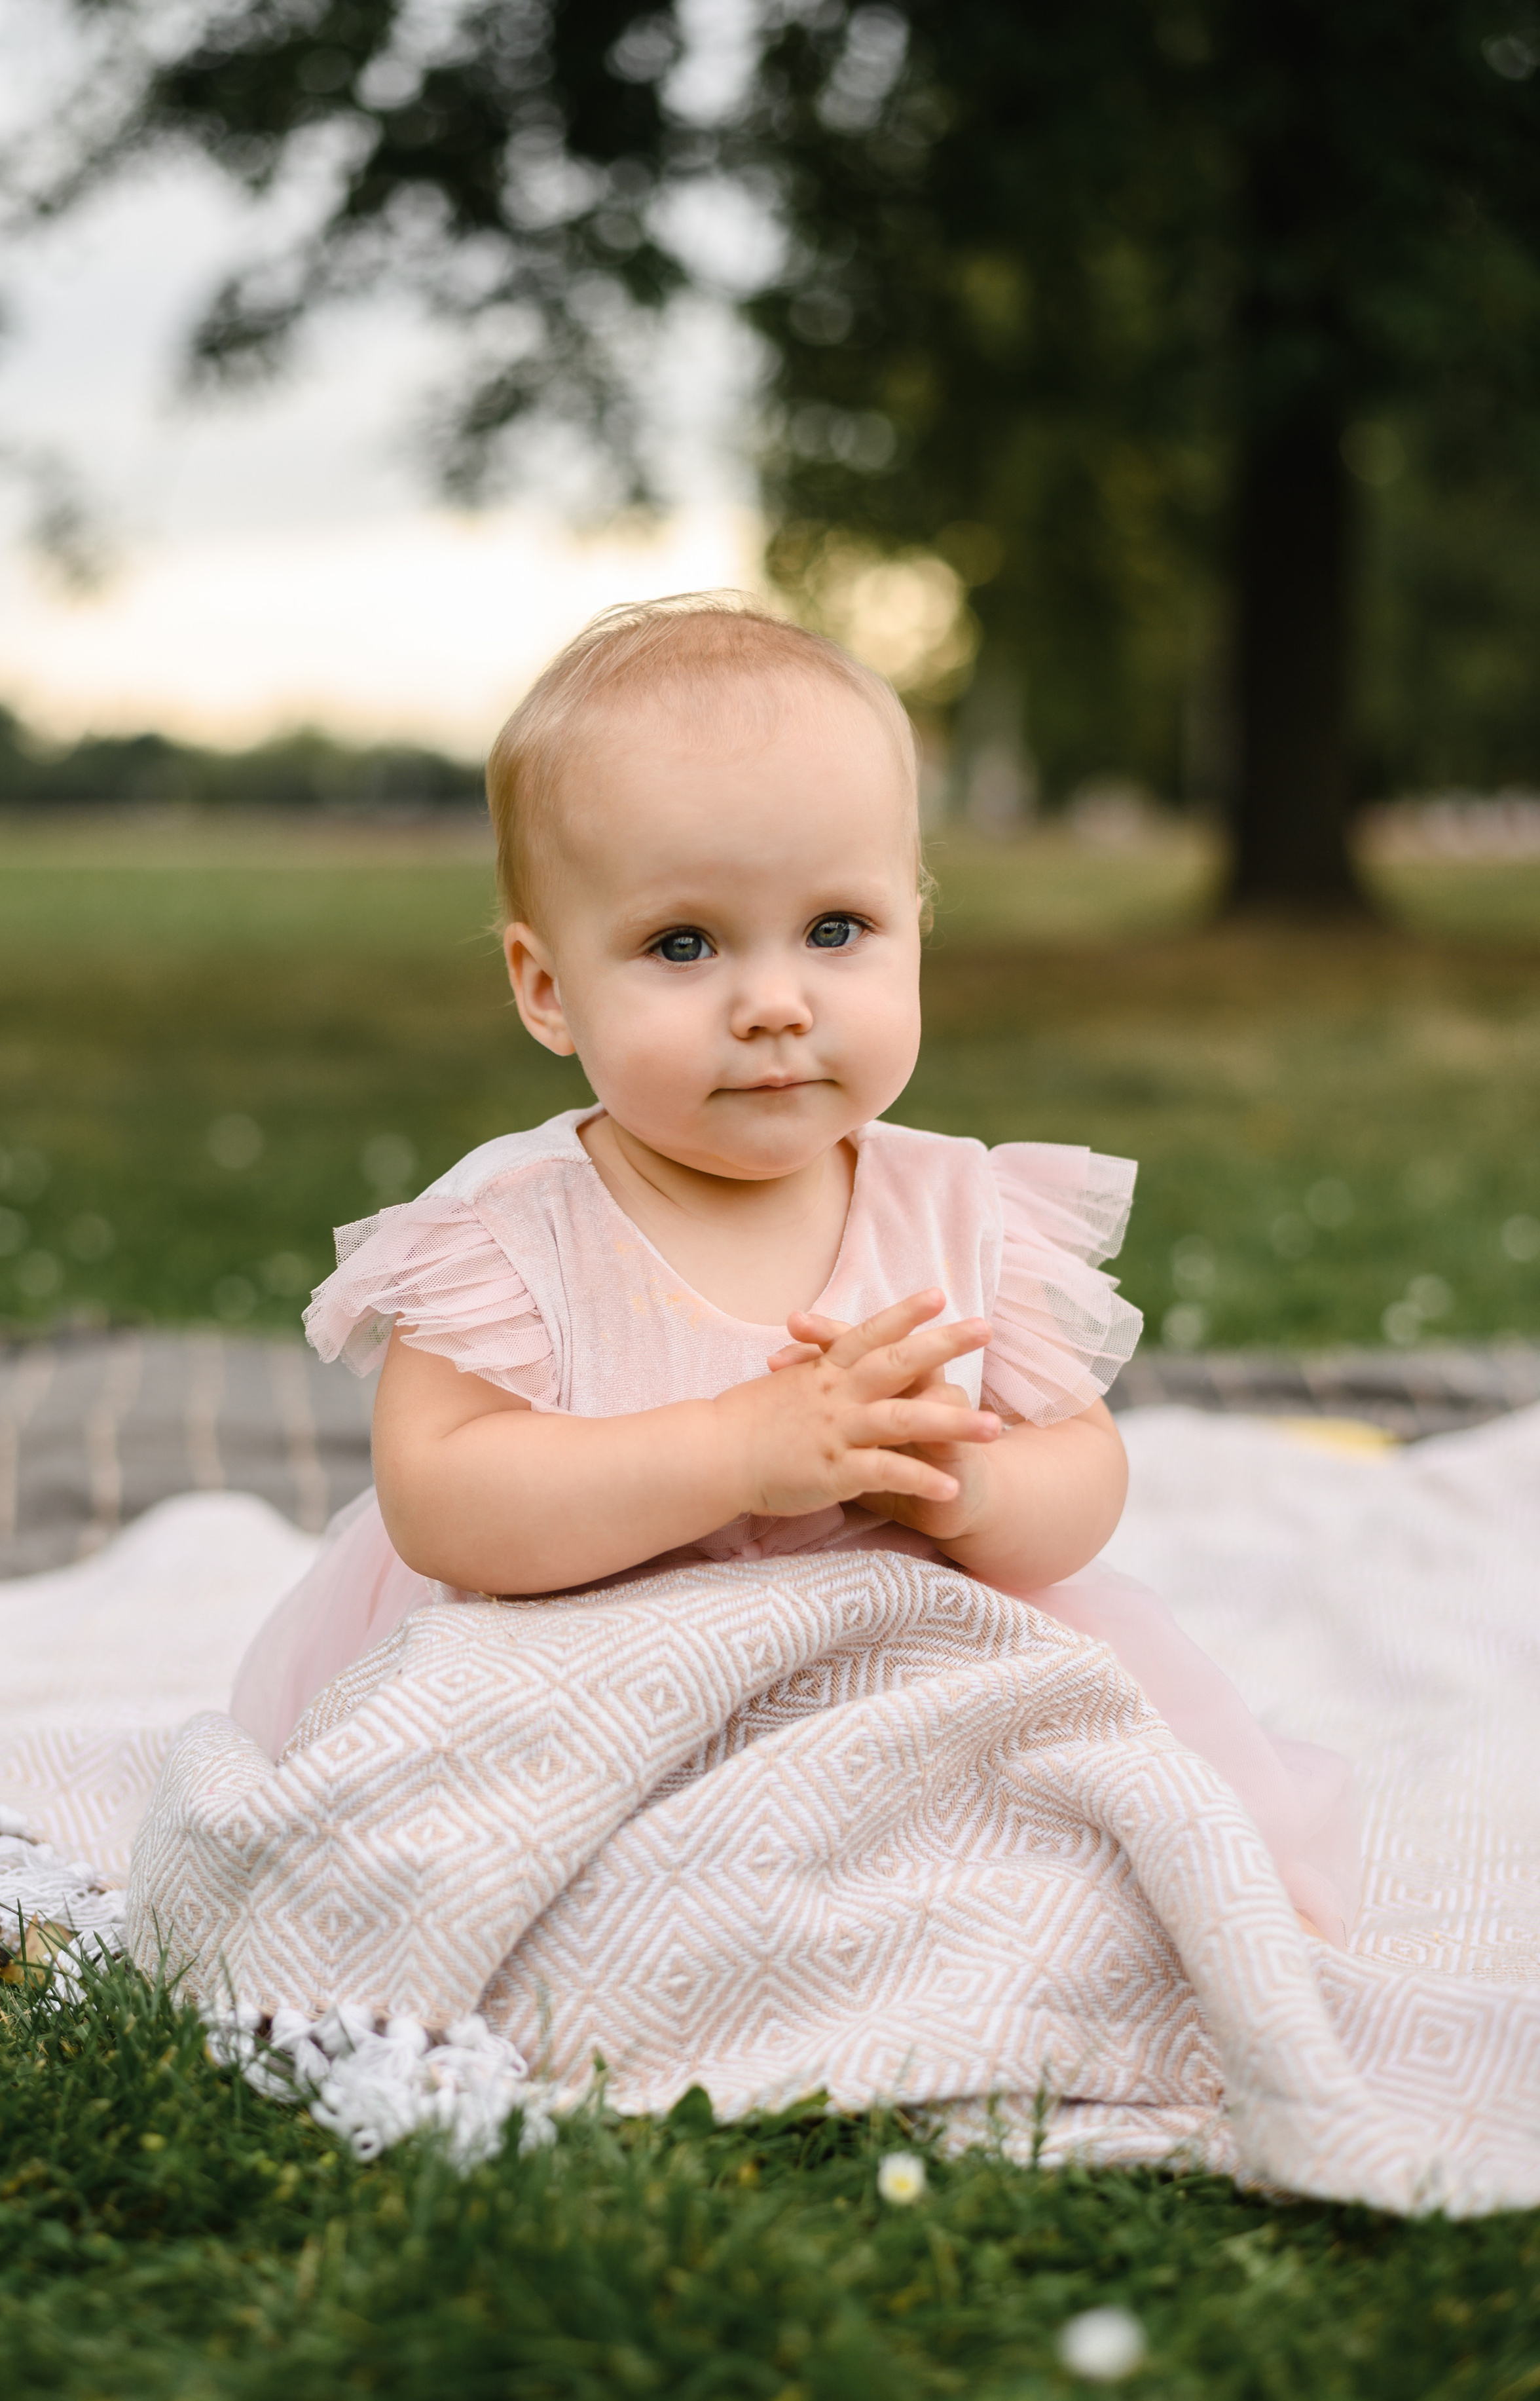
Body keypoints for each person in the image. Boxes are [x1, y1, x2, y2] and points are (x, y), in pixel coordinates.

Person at [229, 593, 1357, 1941]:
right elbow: (440, 1498)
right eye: (682, 945)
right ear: (544, 988)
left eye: (834, 929)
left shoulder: (962, 1208)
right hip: (575, 1685)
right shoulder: (512, 1234)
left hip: (896, 1673)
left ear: (913, 927)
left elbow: (1084, 1472)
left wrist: (971, 1480)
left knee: (1069, 1844)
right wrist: (730, 1449)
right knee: (498, 1893)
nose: (773, 1000)